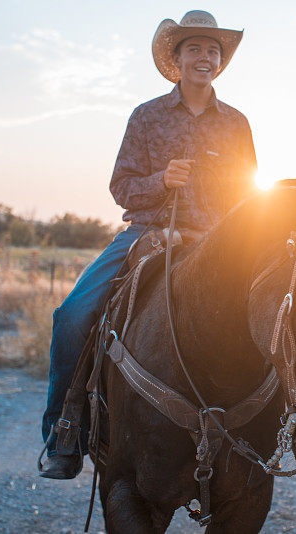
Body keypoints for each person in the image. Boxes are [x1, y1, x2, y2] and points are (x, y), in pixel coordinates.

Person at [39, 10, 257, 479]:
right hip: (147, 232)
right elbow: (122, 186)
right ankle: (64, 431)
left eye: (213, 50)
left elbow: (248, 198)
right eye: (195, 48)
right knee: (72, 317)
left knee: (281, 308)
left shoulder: (237, 124)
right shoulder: (147, 116)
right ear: (176, 59)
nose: (205, 57)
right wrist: (162, 180)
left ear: (221, 62)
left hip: (218, 243)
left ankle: (281, 428)